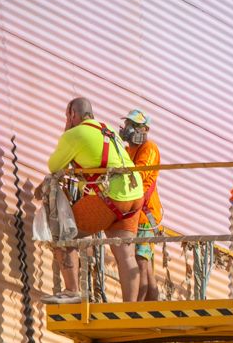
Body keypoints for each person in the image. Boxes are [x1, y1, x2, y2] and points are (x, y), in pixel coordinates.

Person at [43, 97, 143, 303]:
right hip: (134, 194)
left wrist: (67, 131)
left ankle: (72, 291)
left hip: (111, 196)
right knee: (126, 255)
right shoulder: (108, 130)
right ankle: (130, 308)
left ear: (72, 114)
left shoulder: (75, 134)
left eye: (67, 116)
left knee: (64, 232)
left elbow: (54, 165)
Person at [119, 109, 164, 301]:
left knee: (141, 261)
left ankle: (137, 307)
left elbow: (140, 173)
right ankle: (155, 308)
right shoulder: (129, 150)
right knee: (146, 266)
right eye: (128, 124)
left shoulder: (149, 148)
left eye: (133, 125)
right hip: (136, 212)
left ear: (145, 128)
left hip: (147, 214)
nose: (128, 129)